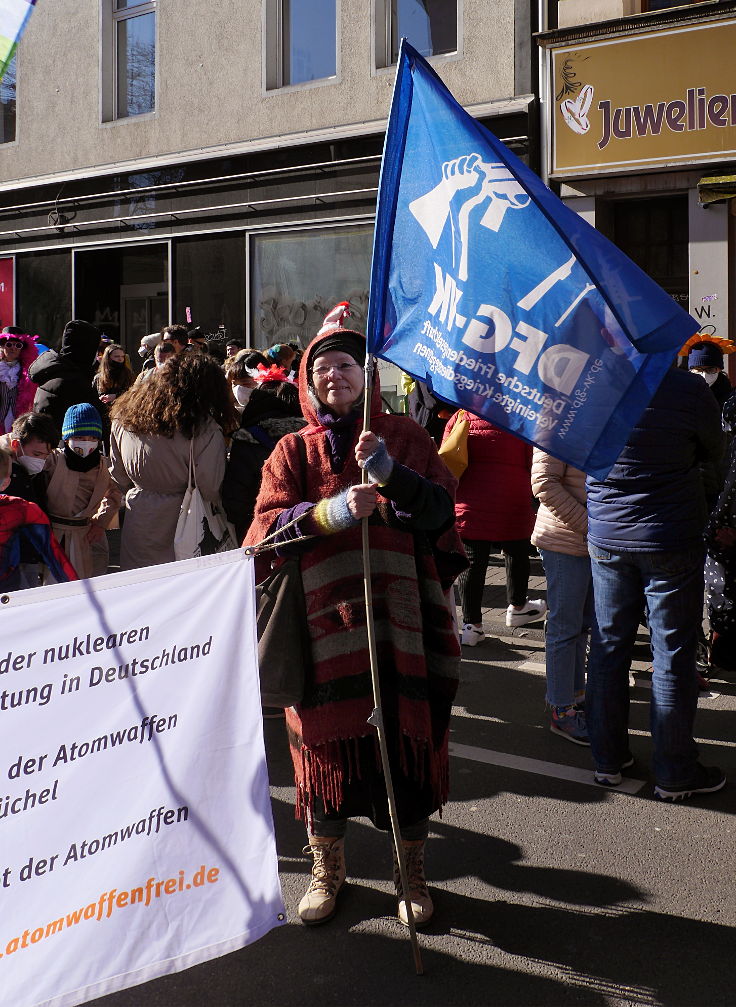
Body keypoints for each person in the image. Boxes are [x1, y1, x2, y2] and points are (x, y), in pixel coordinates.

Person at [245, 318, 465, 929]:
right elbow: (261, 537)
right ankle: (328, 868)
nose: (333, 378)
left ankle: (410, 872)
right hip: (320, 634)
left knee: (405, 751)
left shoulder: (407, 438)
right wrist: (330, 511)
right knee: (326, 756)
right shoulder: (292, 451)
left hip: (402, 626)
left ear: (366, 377)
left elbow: (444, 514)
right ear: (308, 387)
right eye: (321, 371)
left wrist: (395, 476)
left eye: (344, 367)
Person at [585, 365, 725, 800]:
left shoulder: (589, 381)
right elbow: (714, 448)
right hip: (669, 533)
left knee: (608, 647)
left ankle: (607, 760)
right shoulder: (686, 386)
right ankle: (675, 771)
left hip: (607, 531)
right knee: (673, 653)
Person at [109, 352, 234, 570]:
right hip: (187, 520)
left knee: (141, 590)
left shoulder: (124, 418)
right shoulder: (204, 429)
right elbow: (210, 488)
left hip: (138, 517)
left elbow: (118, 474)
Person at [444, 412, 546, 645]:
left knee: (472, 562)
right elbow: (532, 460)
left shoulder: (460, 417)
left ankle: (471, 626)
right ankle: (518, 607)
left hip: (471, 501)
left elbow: (447, 456)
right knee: (517, 551)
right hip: (513, 498)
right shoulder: (520, 417)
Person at [531, 450, 592, 746]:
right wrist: (591, 525)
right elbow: (543, 482)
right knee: (565, 627)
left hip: (593, 539)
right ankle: (561, 709)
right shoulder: (559, 416)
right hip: (565, 539)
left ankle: (575, 697)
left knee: (580, 625)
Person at [36, 404, 121, 579]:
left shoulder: (103, 465)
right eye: (80, 436)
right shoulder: (53, 459)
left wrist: (100, 523)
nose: (86, 442)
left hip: (85, 535)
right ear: (67, 438)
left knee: (85, 583)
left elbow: (113, 495)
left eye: (92, 438)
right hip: (53, 534)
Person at [222, 371, 304, 542]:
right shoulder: (310, 436)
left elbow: (235, 499)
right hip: (303, 529)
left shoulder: (246, 439)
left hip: (258, 533)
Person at [0, 447, 77, 591]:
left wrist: (77, 591)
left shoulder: (22, 509)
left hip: (10, 595)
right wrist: (79, 593)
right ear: (6, 483)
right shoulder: (23, 509)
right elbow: (57, 558)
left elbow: (55, 557)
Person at [0, 412, 60, 588]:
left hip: (29, 557)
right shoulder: (6, 471)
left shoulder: (29, 469)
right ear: (16, 444)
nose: (41, 461)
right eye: (36, 454)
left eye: (45, 456)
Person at [28, 319, 105, 432]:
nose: (97, 355)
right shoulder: (71, 380)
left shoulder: (56, 371)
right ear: (85, 349)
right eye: (95, 349)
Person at [0, 330, 39, 435]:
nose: (13, 348)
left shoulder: (27, 371)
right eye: (9, 344)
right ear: (2, 347)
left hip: (18, 421)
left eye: (18, 345)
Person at [93, 343, 134, 408]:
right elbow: (93, 396)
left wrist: (116, 396)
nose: (120, 359)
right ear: (108, 358)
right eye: (116, 356)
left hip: (123, 409)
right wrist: (101, 398)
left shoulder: (128, 374)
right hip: (103, 410)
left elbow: (132, 392)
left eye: (122, 356)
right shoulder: (99, 377)